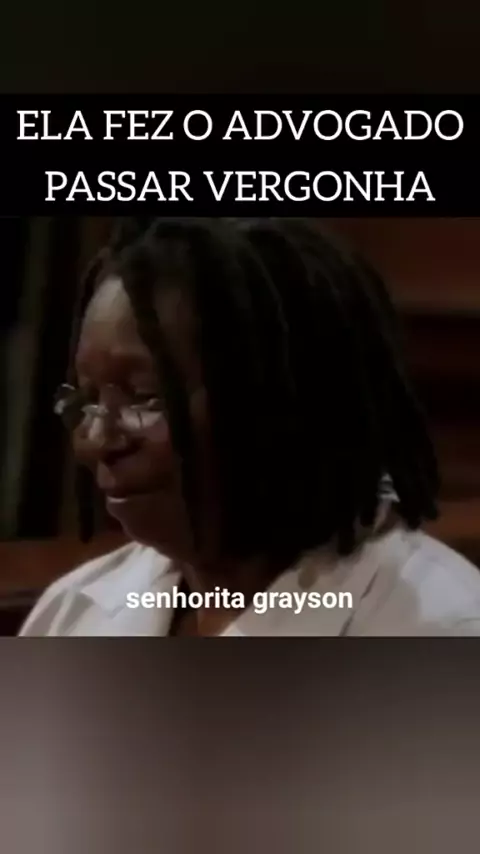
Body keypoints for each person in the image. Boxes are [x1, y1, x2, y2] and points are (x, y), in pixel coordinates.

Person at [20, 217, 480, 636]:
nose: (98, 439)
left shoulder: (441, 631)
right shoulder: (72, 611)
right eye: (88, 399)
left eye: (144, 395)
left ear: (283, 396)